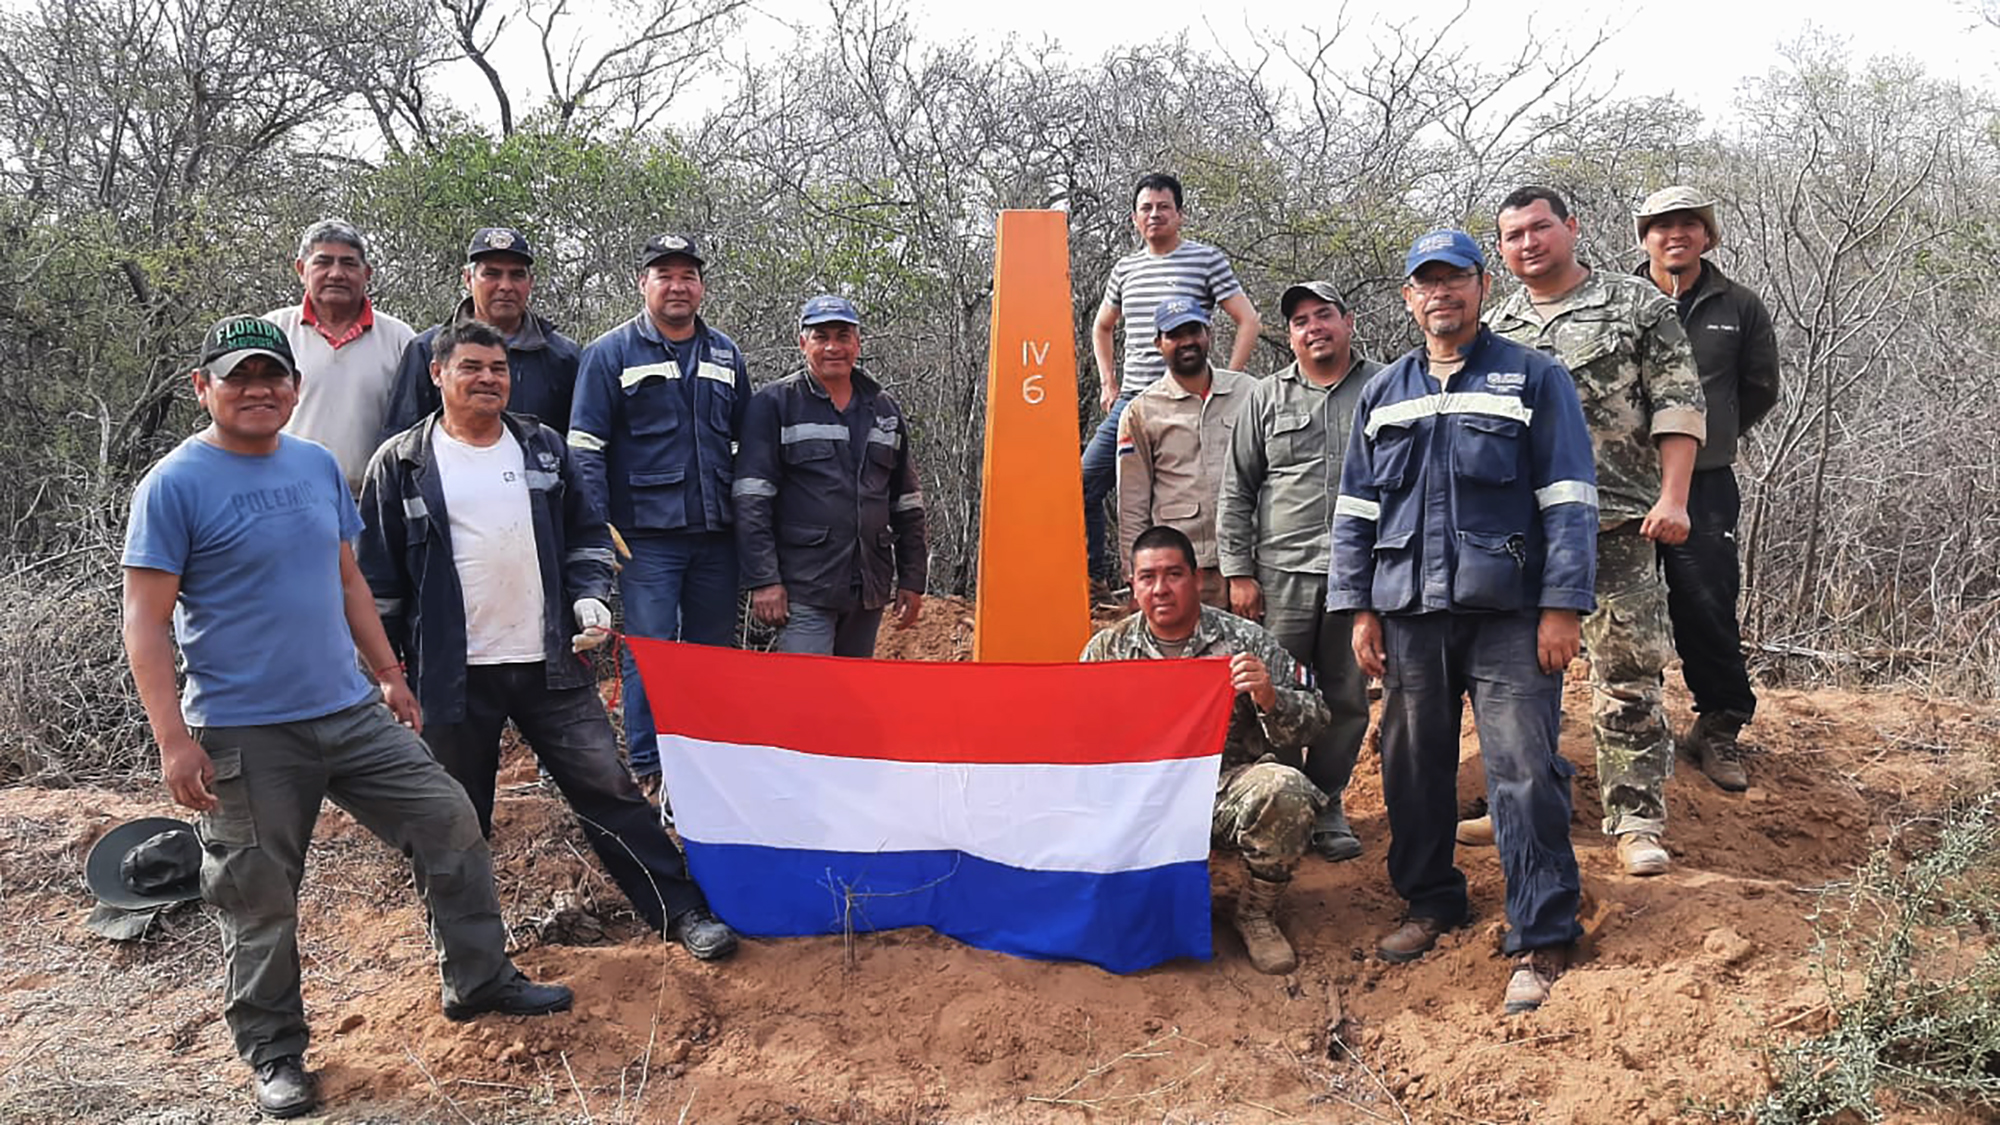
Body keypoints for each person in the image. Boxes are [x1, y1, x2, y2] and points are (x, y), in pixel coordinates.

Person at [121, 316, 570, 1120]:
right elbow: (145, 622)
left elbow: (350, 581)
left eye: (272, 376)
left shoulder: (316, 465)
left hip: (347, 709)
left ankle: (477, 978)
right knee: (258, 893)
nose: (258, 390)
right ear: (202, 387)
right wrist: (173, 740)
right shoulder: (174, 484)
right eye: (238, 377)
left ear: (295, 387)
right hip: (244, 727)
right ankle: (275, 1052)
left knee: (449, 819)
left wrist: (389, 676)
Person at [357, 319, 739, 960]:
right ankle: (469, 960)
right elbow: (378, 579)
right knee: (454, 818)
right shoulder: (401, 464)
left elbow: (587, 533)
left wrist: (589, 592)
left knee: (610, 791)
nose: (487, 379)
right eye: (471, 367)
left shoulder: (541, 448)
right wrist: (388, 673)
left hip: (551, 665)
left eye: (498, 369)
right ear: (437, 374)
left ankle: (681, 913)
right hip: (449, 675)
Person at [1329, 229, 1599, 1014]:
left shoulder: (1534, 378)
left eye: (1455, 279)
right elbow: (1355, 509)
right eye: (1426, 282)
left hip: (1510, 615)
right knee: (1413, 767)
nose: (1441, 293)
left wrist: (1562, 606)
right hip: (1409, 615)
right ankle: (1431, 900)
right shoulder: (1385, 392)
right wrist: (1359, 607)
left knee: (1523, 769)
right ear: (1409, 298)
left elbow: (1569, 499)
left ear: (1482, 287)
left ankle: (1541, 930)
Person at [1483, 186, 1707, 877]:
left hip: (1616, 523)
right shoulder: (1493, 327)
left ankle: (1636, 820)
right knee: (1518, 682)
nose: (1529, 243)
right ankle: (1518, 804)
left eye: (1540, 227)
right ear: (1501, 249)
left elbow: (1678, 404)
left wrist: (1674, 498)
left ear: (1571, 227)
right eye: (1514, 235)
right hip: (1524, 534)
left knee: (1628, 676)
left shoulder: (1637, 306)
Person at [1081, 525, 1329, 975]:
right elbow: (1077, 740)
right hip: (1139, 797)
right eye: (1148, 577)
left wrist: (1271, 697)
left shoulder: (1245, 640)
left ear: (1197, 579)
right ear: (1133, 585)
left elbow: (1317, 720)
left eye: (1173, 574)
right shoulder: (1107, 650)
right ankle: (1122, 901)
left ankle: (1256, 912)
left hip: (1221, 790)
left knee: (1285, 789)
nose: (1160, 588)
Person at [568, 234, 750, 801]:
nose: (677, 286)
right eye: (664, 275)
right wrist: (599, 528)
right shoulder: (611, 353)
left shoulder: (725, 354)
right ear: (642, 283)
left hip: (716, 535)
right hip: (645, 539)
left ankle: (706, 763)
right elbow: (585, 448)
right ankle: (651, 765)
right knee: (651, 652)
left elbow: (747, 445)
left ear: (702, 286)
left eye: (688, 275)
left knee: (710, 657)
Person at [1217, 280, 1382, 863]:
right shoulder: (1265, 397)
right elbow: (1237, 489)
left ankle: (1329, 800)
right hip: (1280, 573)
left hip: (1359, 574)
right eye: (1300, 321)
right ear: (1289, 336)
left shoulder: (1383, 387)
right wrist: (1239, 572)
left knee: (1347, 695)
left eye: (1323, 315)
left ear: (1348, 321)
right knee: (1274, 694)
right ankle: (1292, 800)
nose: (1313, 328)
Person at [1633, 186, 1780, 791]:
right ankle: (1635, 728)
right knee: (1622, 609)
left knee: (1707, 603)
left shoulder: (1739, 305)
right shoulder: (1619, 301)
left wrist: (1706, 441)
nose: (1675, 235)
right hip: (1626, 480)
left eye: (1688, 224)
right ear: (1644, 238)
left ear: (1708, 235)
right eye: (1661, 225)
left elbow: (1759, 389)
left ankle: (1718, 727)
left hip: (1705, 483)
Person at [1083, 172, 1261, 591]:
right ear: (1134, 218)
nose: (1155, 215)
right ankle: (1096, 578)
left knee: (1200, 492)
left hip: (1194, 399)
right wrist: (1108, 383)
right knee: (1085, 483)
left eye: (1164, 207)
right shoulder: (1125, 269)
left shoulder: (1205, 260)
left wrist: (1230, 381)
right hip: (1135, 401)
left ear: (1180, 214)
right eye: (1146, 208)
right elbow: (1102, 326)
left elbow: (1248, 319)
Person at [734, 295, 926, 656]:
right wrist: (764, 579)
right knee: (807, 688)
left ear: (858, 343)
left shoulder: (883, 408)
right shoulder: (774, 404)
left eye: (843, 336)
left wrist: (913, 578)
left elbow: (906, 502)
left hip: (868, 586)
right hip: (805, 586)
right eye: (821, 337)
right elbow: (751, 500)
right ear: (802, 342)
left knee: (852, 689)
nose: (833, 347)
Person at [379, 226, 583, 442]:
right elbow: (401, 439)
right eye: (492, 274)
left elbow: (579, 443)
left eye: (517, 275)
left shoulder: (564, 357)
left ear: (531, 283)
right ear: (468, 278)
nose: (506, 286)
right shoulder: (427, 349)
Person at [1115, 295, 1254, 606]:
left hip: (1252, 560)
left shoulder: (1249, 393)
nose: (1187, 341)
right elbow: (1133, 502)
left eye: (1193, 331)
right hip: (1184, 569)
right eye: (1175, 335)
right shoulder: (1140, 411)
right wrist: (1135, 575)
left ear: (1208, 334)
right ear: (1158, 343)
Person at [265, 218, 417, 493]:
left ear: (367, 273)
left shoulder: (400, 339)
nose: (336, 274)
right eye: (323, 262)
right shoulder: (272, 332)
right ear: (301, 269)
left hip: (373, 502)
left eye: (348, 264)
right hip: (285, 497)